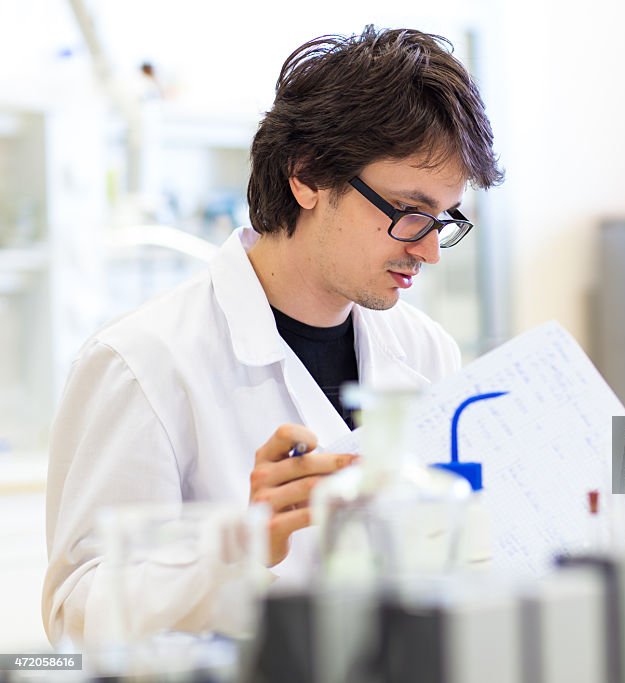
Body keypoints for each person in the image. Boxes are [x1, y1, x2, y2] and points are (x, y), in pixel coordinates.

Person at [42, 26, 503, 647]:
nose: (428, 250)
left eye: (442, 219)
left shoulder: (425, 350)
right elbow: (77, 615)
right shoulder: (142, 363)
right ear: (307, 176)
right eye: (408, 212)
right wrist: (238, 544)